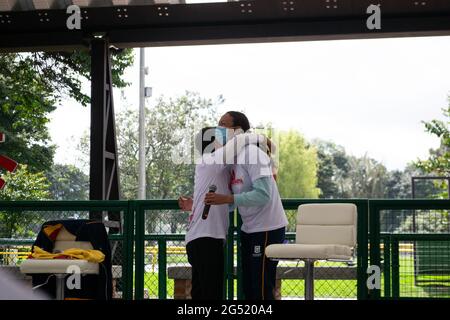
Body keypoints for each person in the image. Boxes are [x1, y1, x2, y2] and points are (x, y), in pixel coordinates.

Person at [204, 111, 288, 300]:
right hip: (249, 228)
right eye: (218, 124)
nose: (218, 129)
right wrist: (197, 206)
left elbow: (263, 195)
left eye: (223, 125)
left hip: (267, 227)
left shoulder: (254, 154)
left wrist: (227, 200)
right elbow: (235, 198)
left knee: (260, 287)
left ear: (238, 131)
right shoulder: (233, 159)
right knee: (248, 287)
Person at [178, 126, 264, 300]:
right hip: (205, 239)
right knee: (212, 294)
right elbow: (239, 142)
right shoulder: (211, 160)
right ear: (214, 142)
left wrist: (194, 204)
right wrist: (259, 137)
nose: (227, 139)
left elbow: (225, 201)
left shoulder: (215, 167)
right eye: (222, 136)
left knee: (202, 293)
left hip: (202, 238)